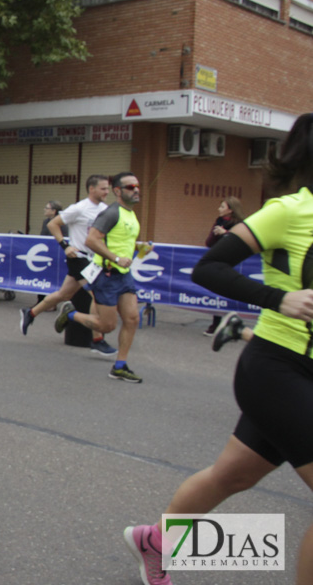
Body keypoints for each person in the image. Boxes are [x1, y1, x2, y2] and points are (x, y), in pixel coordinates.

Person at [123, 113, 313, 585]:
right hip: (277, 369)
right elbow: (209, 267)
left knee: (233, 476)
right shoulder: (290, 210)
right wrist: (280, 299)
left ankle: (157, 542)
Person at [53, 173, 145, 381]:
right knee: (107, 326)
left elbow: (120, 242)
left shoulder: (130, 214)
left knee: (132, 319)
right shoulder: (111, 213)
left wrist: (140, 248)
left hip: (123, 275)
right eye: (131, 187)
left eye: (138, 186)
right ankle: (69, 314)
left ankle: (120, 366)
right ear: (118, 191)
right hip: (107, 274)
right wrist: (115, 258)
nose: (136, 190)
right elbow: (92, 240)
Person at [19, 175, 117, 357]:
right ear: (92, 189)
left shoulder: (105, 209)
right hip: (78, 257)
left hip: (94, 259)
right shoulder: (79, 208)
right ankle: (97, 340)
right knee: (96, 294)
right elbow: (53, 224)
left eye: (107, 189)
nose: (106, 192)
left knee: (64, 294)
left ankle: (30, 313)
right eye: (103, 188)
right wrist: (65, 245)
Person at [203, 196, 244, 335]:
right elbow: (209, 243)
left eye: (222, 207)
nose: (219, 209)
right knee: (217, 293)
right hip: (218, 262)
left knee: (230, 293)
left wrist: (226, 234)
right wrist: (216, 234)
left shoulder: (240, 224)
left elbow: (241, 241)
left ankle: (233, 323)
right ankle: (216, 323)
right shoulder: (218, 222)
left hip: (233, 263)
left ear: (231, 210)